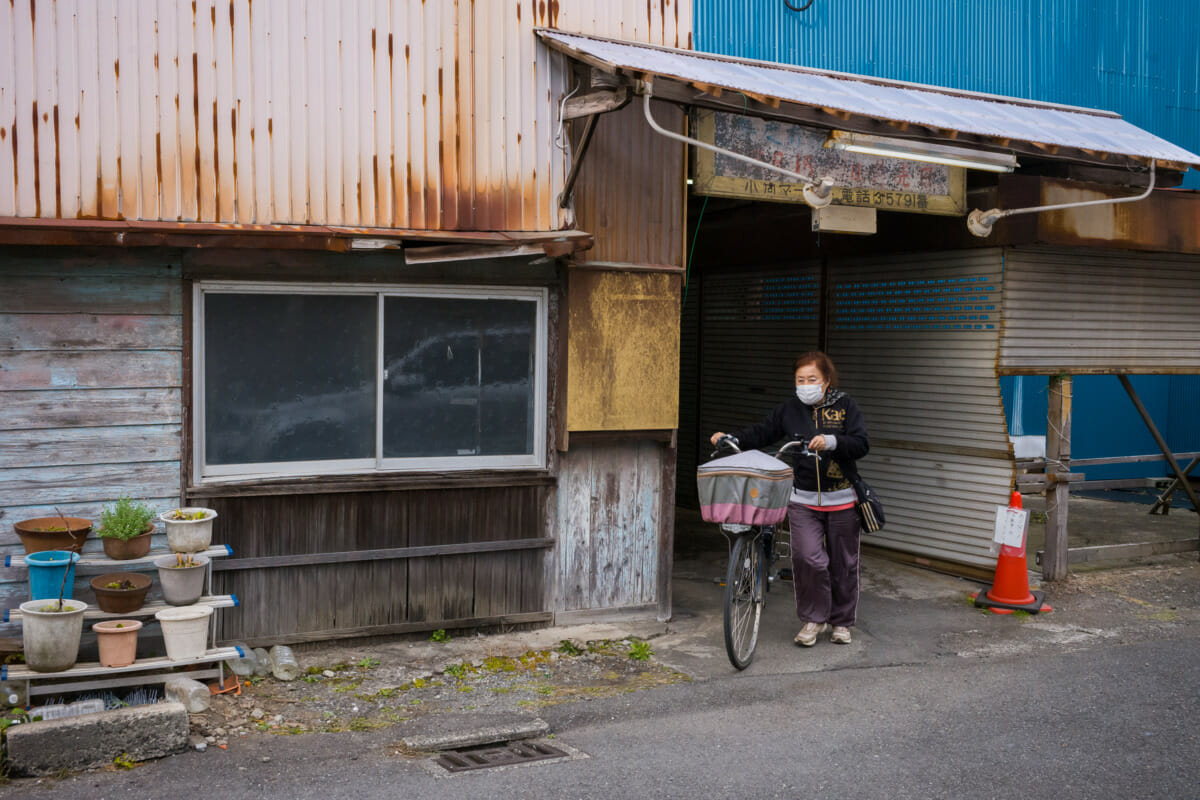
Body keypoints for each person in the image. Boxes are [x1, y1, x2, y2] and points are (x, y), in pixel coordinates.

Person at [710, 351, 869, 647]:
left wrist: (833, 441)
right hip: (802, 499)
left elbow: (861, 444)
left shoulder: (847, 407)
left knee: (844, 564)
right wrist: (729, 438)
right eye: (800, 379)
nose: (806, 384)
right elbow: (761, 432)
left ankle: (842, 622)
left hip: (843, 499)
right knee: (808, 558)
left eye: (812, 379)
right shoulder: (789, 410)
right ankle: (813, 619)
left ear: (826, 381)